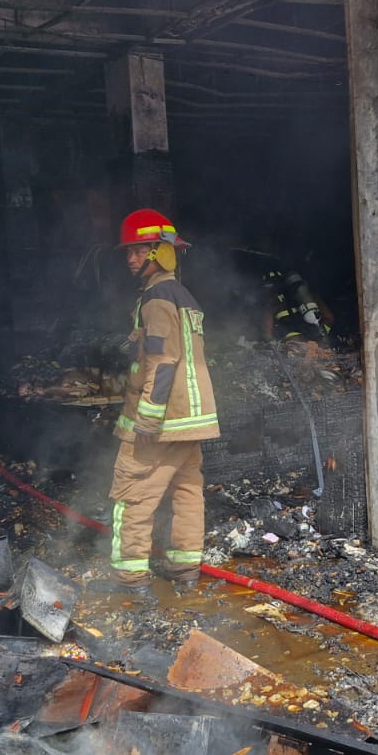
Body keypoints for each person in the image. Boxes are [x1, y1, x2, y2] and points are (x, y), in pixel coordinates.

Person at [108, 210, 219, 590]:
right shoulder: (185, 297)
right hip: (193, 419)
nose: (131, 259)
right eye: (129, 253)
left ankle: (131, 579)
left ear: (161, 253)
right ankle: (186, 572)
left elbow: (162, 361)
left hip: (164, 420)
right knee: (187, 492)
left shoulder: (155, 300)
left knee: (133, 494)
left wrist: (147, 420)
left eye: (140, 251)